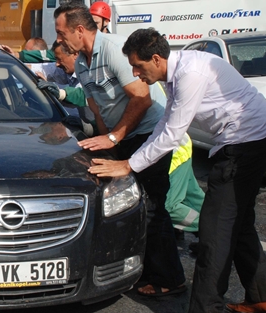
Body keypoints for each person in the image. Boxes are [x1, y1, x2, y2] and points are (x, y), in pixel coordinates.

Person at [88, 27, 266, 313]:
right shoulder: (174, 74)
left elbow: (172, 134)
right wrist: (132, 160)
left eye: (138, 65)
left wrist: (128, 165)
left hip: (245, 144)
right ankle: (260, 297)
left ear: (156, 59)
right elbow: (164, 125)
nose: (134, 73)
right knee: (240, 224)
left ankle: (206, 308)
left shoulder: (190, 74)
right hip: (242, 142)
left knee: (214, 232)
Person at [54, 3, 185, 297]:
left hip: (148, 135)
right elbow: (96, 106)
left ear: (79, 30)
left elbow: (141, 98)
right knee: (126, 204)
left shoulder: (113, 49)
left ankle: (169, 278)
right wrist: (105, 143)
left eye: (61, 33)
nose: (60, 40)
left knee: (151, 207)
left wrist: (113, 138)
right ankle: (138, 270)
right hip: (121, 137)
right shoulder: (84, 62)